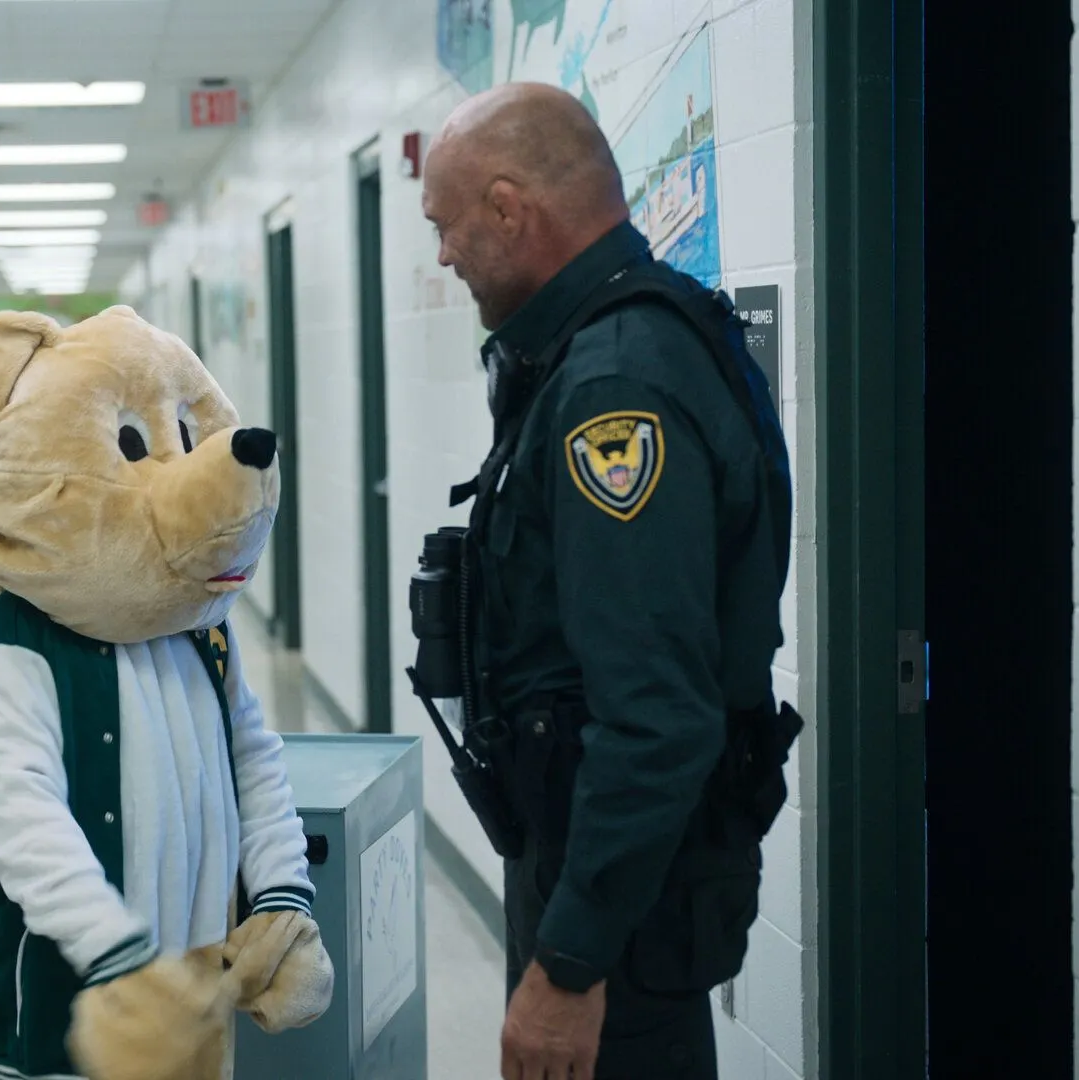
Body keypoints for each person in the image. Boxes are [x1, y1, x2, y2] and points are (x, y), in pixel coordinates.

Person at [417, 83, 798, 1079]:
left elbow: (656, 714)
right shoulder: (603, 350)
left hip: (620, 905)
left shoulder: (613, 389)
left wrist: (569, 963)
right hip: (610, 869)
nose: (443, 255)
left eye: (446, 225)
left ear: (508, 208)